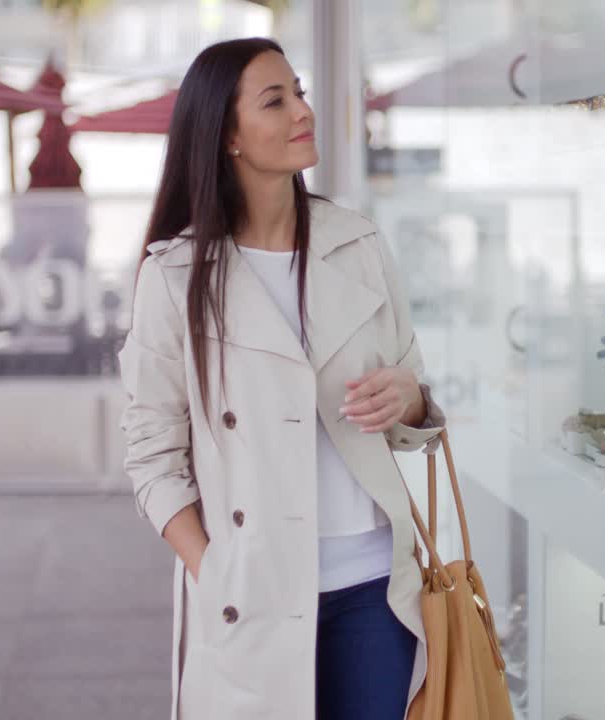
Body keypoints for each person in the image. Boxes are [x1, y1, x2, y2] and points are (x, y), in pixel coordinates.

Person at [117, 38, 446, 720]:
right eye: (277, 100)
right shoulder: (175, 276)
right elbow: (151, 457)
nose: (304, 110)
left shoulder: (356, 243)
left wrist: (408, 399)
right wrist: (217, 570)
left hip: (374, 587)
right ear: (227, 136)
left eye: (299, 91)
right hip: (251, 595)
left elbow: (415, 396)